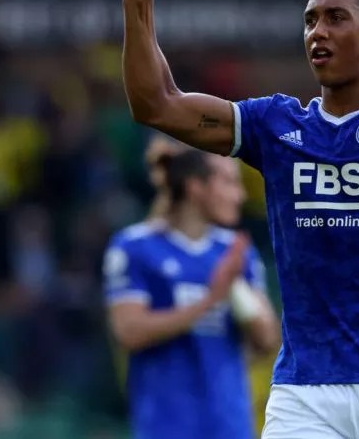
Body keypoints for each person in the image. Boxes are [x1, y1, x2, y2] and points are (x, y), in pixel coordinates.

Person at [120, 0, 359, 438]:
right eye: (310, 20)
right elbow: (157, 105)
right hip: (304, 391)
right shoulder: (275, 126)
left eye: (336, 18)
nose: (318, 31)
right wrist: (138, 3)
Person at [103, 148, 279, 439]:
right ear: (196, 187)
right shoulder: (135, 247)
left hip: (231, 424)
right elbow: (128, 331)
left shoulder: (235, 252)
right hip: (166, 426)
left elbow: (268, 340)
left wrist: (236, 291)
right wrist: (210, 300)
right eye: (229, 183)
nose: (240, 195)